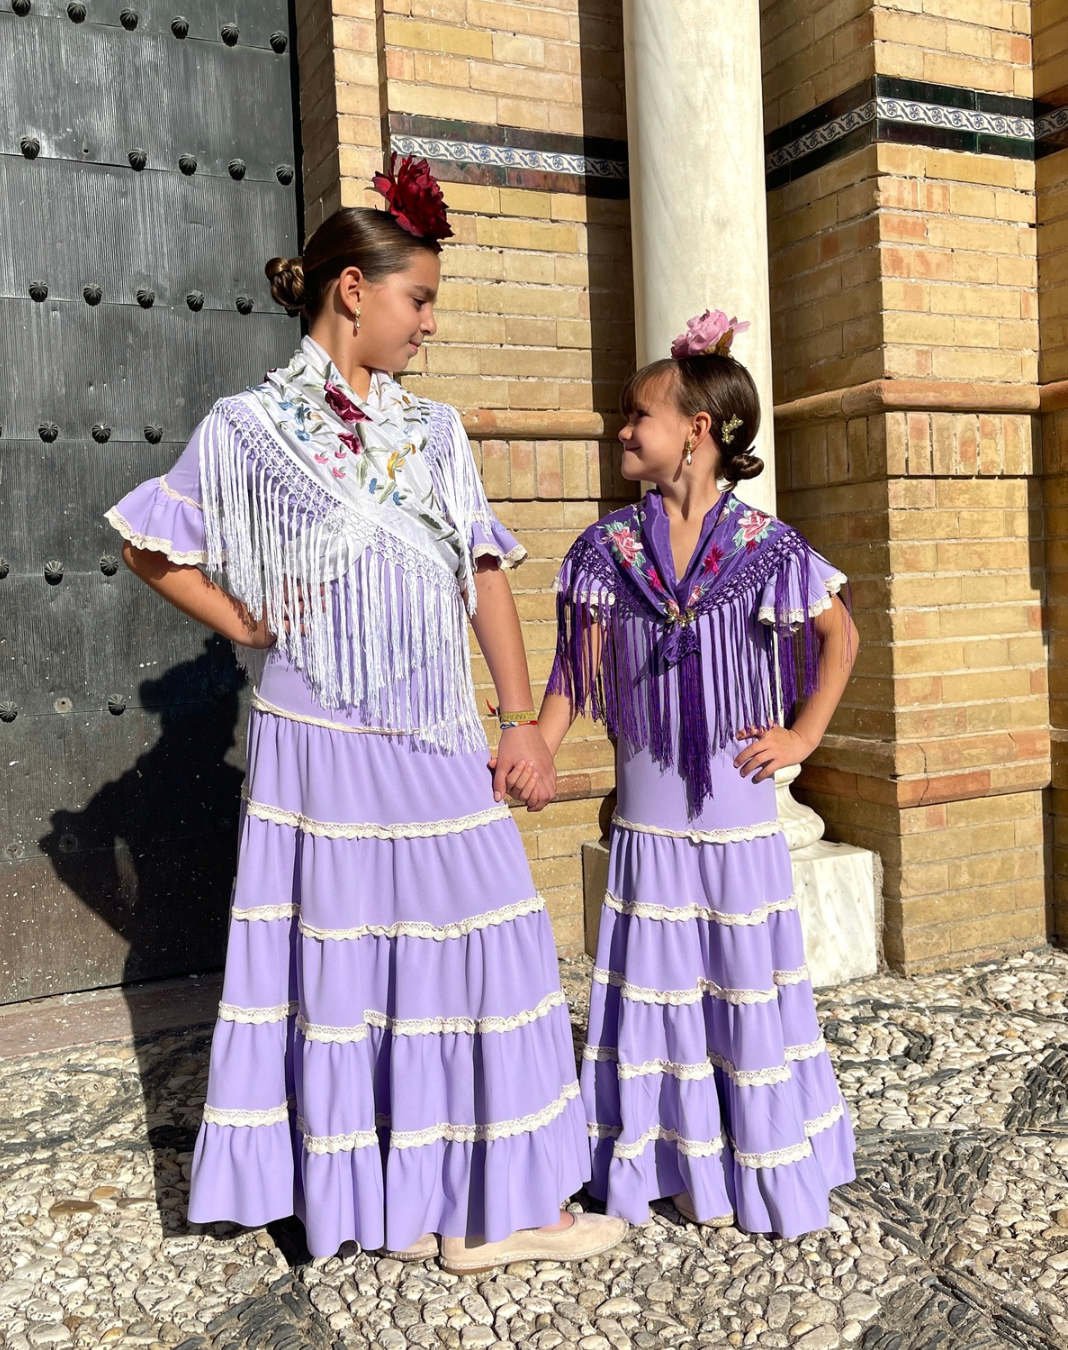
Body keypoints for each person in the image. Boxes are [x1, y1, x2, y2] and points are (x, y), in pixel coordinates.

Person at [105, 155, 626, 1273]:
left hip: (432, 726)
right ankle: (402, 1208)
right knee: (352, 962)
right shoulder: (246, 427)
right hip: (317, 736)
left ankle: (497, 1201)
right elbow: (149, 542)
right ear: (352, 289)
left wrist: (523, 718)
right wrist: (245, 625)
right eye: (418, 298)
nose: (428, 323)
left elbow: (483, 569)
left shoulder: (434, 432)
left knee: (489, 937)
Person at [528, 309, 859, 1237]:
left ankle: (755, 1163)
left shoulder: (767, 549)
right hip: (648, 823)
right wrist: (539, 747)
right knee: (656, 993)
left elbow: (842, 637)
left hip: (740, 821)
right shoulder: (606, 552)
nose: (622, 431)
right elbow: (573, 672)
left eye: (639, 415)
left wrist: (803, 737)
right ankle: (667, 1162)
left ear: (698, 431)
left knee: (743, 988)